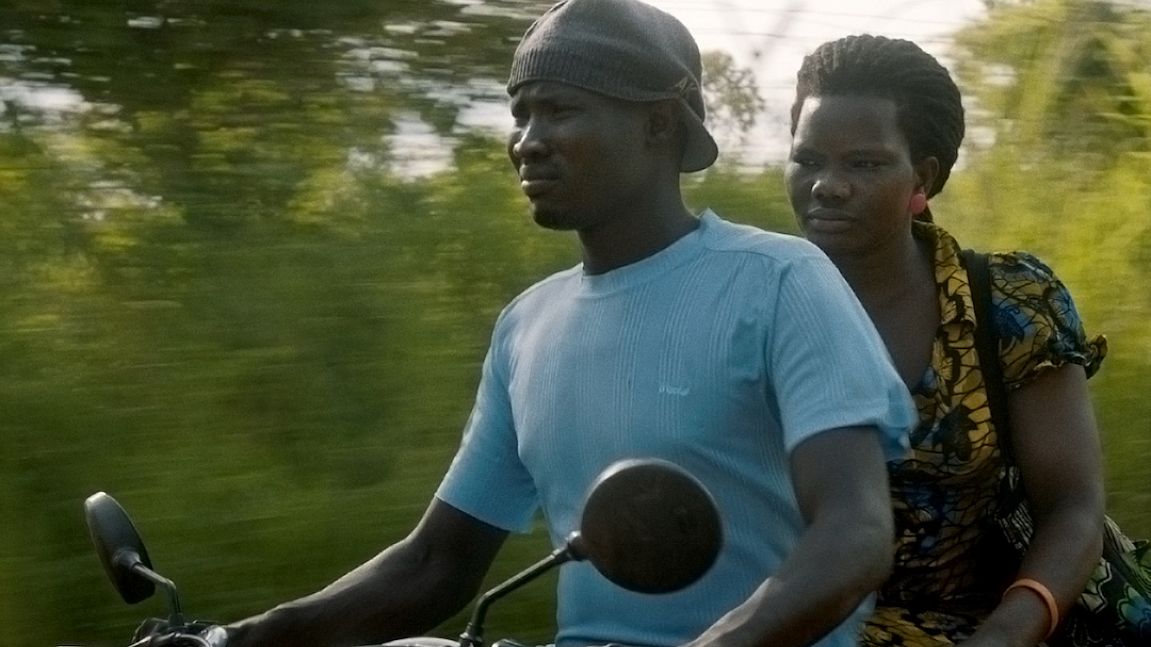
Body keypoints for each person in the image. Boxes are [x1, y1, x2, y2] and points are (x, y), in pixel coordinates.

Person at [221, 4, 918, 647]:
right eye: (520, 114)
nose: (527, 142)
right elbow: (438, 563)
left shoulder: (779, 282)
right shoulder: (526, 326)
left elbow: (855, 535)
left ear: (659, 124)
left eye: (559, 111)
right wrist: (240, 637)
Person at [784, 34, 1125, 647]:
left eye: (864, 164)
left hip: (977, 626)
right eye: (808, 160)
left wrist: (1008, 632)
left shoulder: (1009, 303)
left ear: (924, 176)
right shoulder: (747, 302)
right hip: (782, 622)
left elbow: (1073, 507)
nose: (827, 185)